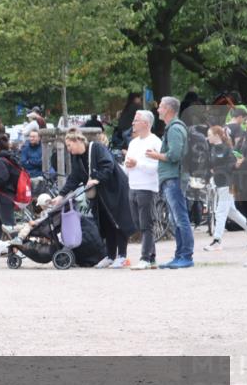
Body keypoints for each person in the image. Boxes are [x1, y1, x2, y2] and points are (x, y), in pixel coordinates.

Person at [52, 130, 134, 268]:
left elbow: (108, 165)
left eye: (69, 145)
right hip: (100, 196)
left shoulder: (96, 148)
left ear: (77, 141)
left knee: (117, 222)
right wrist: (61, 195)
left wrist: (96, 178)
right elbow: (74, 178)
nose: (68, 149)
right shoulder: (77, 158)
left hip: (115, 191)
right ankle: (109, 256)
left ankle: (122, 256)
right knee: (105, 224)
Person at [145, 96, 194, 269]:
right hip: (171, 179)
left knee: (180, 218)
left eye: (160, 107)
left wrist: (155, 155)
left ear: (168, 109)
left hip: (175, 179)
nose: (157, 110)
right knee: (175, 219)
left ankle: (186, 256)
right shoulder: (172, 128)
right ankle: (179, 255)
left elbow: (174, 155)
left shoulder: (174, 129)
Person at [123, 110, 161, 269]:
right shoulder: (133, 143)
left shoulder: (155, 142)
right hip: (133, 185)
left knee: (146, 224)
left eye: (136, 120)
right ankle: (151, 257)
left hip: (147, 187)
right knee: (138, 223)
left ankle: (145, 258)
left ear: (146, 123)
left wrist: (137, 164)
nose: (133, 123)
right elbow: (128, 163)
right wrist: (128, 165)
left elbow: (156, 167)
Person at [203, 125, 247, 251]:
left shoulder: (227, 149)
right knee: (231, 212)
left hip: (228, 184)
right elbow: (211, 166)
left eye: (209, 135)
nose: (208, 137)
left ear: (217, 135)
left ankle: (217, 241)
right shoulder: (212, 149)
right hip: (220, 183)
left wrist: (216, 170)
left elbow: (232, 166)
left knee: (221, 212)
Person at [0, 134, 21, 241]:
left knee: (9, 226)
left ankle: (21, 249)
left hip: (4, 196)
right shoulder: (7, 157)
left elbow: (3, 178)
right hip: (6, 196)